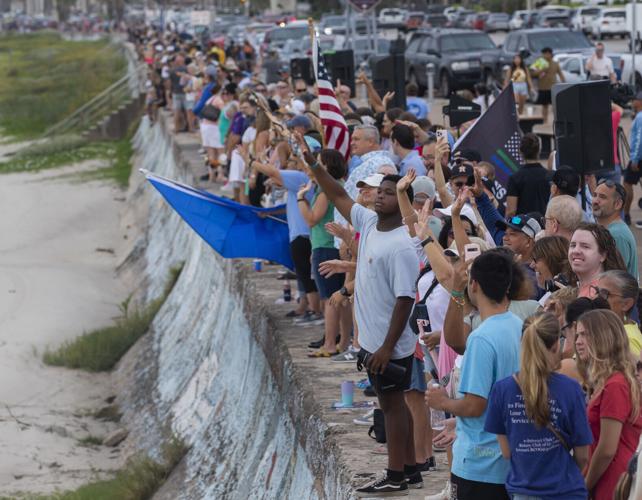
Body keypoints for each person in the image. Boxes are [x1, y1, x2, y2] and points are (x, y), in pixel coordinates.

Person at [305, 155, 423, 495]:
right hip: (371, 341)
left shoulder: (401, 245)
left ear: (401, 201)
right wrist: (315, 167)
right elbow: (339, 196)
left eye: (388, 192)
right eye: (379, 191)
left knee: (392, 406)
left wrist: (387, 347)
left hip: (391, 344)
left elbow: (405, 300)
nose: (380, 196)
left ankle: (395, 475)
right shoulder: (370, 222)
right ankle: (411, 469)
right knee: (393, 404)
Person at [426, 251, 522, 499]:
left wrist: (442, 403)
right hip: (511, 460)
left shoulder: (482, 338)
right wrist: (457, 421)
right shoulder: (519, 325)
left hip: (481, 464)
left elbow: (475, 405)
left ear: (474, 284)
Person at [485, 312, 592, 500]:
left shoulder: (502, 390)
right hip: (564, 489)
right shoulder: (570, 389)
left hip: (524, 490)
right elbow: (583, 456)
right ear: (555, 345)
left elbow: (507, 452)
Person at [576, 310, 642, 500]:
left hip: (612, 481)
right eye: (577, 334)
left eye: (585, 335)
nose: (578, 341)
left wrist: (585, 485)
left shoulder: (615, 384)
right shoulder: (609, 381)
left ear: (603, 337)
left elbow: (607, 448)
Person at [297, 150, 351, 357]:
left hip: (325, 247)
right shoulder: (340, 186)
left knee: (329, 298)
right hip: (336, 246)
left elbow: (312, 219)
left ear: (327, 167)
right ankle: (344, 343)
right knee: (342, 298)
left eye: (317, 163)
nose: (312, 167)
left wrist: (301, 199)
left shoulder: (324, 191)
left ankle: (329, 344)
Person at [592, 179, 638, 280]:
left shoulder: (616, 235)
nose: (595, 201)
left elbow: (615, 280)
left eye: (602, 197)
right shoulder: (608, 230)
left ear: (617, 204)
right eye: (595, 195)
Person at [569, 222, 626, 298]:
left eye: (585, 246)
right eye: (573, 245)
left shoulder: (602, 295)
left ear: (603, 255)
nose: (576, 250)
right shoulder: (578, 288)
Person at [595, 270, 642, 357]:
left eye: (604, 293)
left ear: (626, 304)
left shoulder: (627, 339)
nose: (597, 298)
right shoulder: (611, 331)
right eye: (597, 291)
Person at [506, 133, 550, 217]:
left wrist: (519, 223)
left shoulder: (515, 178)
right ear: (539, 150)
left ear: (520, 152)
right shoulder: (550, 176)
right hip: (546, 226)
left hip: (523, 228)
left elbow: (511, 213)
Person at [624, 92, 642, 227]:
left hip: (638, 158)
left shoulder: (640, 117)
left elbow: (639, 139)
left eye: (634, 100)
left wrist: (635, 158)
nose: (632, 102)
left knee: (627, 184)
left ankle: (626, 214)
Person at [535, 47, 565, 123]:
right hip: (543, 87)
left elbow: (560, 74)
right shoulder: (539, 62)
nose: (546, 55)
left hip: (552, 88)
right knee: (544, 106)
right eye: (544, 54)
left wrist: (564, 84)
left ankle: (556, 121)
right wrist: (540, 71)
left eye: (548, 53)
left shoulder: (555, 63)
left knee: (554, 106)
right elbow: (532, 73)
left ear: (551, 54)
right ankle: (545, 121)